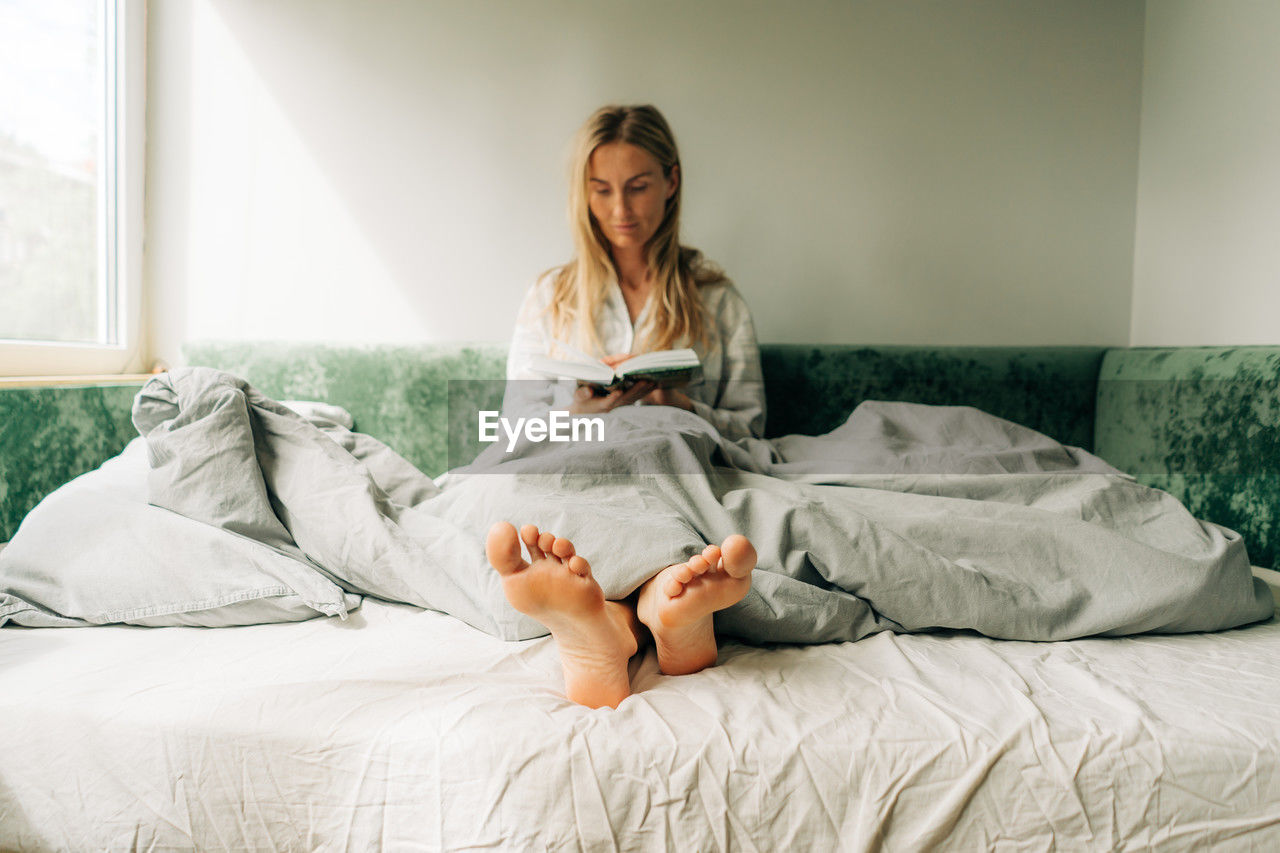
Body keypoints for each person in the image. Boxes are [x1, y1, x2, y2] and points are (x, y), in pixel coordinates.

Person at [490, 104, 766, 709]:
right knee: (553, 489)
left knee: (679, 479)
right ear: (582, 194)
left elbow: (749, 431)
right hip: (584, 458)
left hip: (677, 456)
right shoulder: (550, 297)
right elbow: (514, 431)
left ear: (671, 181)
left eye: (639, 187)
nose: (621, 210)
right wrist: (579, 415)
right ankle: (658, 605)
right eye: (602, 190)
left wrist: (681, 406)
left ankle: (617, 626)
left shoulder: (717, 299)